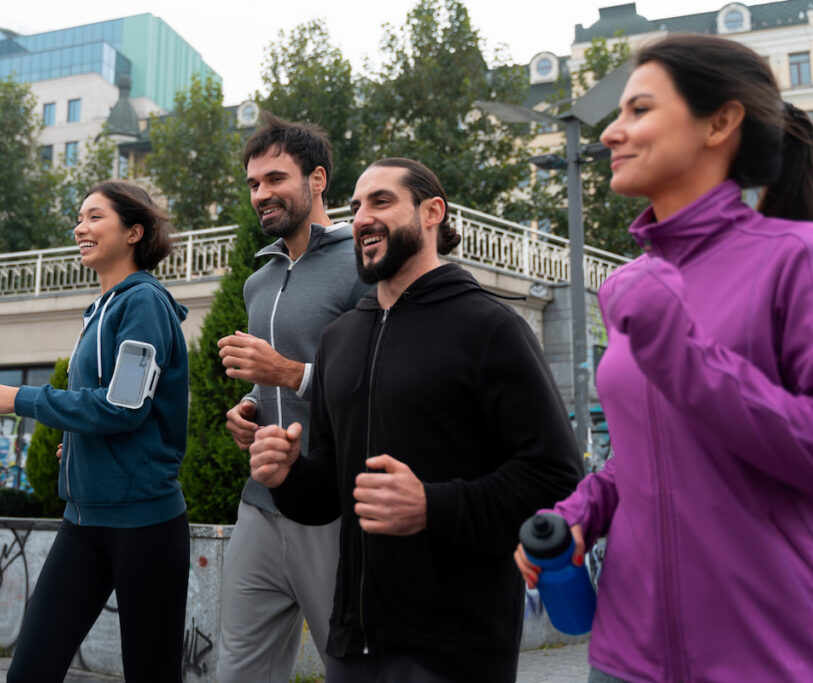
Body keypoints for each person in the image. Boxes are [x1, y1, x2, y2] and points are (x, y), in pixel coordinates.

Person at [514, 35, 813, 683]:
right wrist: (581, 510)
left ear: (720, 121)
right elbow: (646, 456)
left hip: (774, 657)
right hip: (628, 658)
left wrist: (678, 344)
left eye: (638, 110)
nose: (611, 133)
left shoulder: (806, 257)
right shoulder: (638, 283)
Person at [249, 157, 584, 682]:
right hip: (355, 643)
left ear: (432, 213)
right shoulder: (340, 340)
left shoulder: (491, 328)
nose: (361, 217)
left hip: (457, 644)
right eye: (356, 206)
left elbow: (556, 478)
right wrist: (287, 473)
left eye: (382, 201)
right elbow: (327, 496)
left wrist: (432, 505)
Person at [0, 181, 190, 683]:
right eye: (79, 217)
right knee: (29, 671)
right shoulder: (101, 309)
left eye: (95, 217)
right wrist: (75, 447)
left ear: (134, 231)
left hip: (146, 526)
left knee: (151, 675)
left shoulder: (143, 304)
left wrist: (20, 399)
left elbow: (124, 407)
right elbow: (111, 411)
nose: (80, 227)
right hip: (84, 521)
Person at [215, 113, 371, 682]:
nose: (262, 194)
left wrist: (290, 375)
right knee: (237, 669)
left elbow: (378, 382)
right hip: (259, 503)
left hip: (331, 506)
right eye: (254, 183)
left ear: (318, 180)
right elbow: (271, 382)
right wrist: (250, 410)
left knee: (348, 663)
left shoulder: (360, 264)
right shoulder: (258, 280)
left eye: (276, 179)